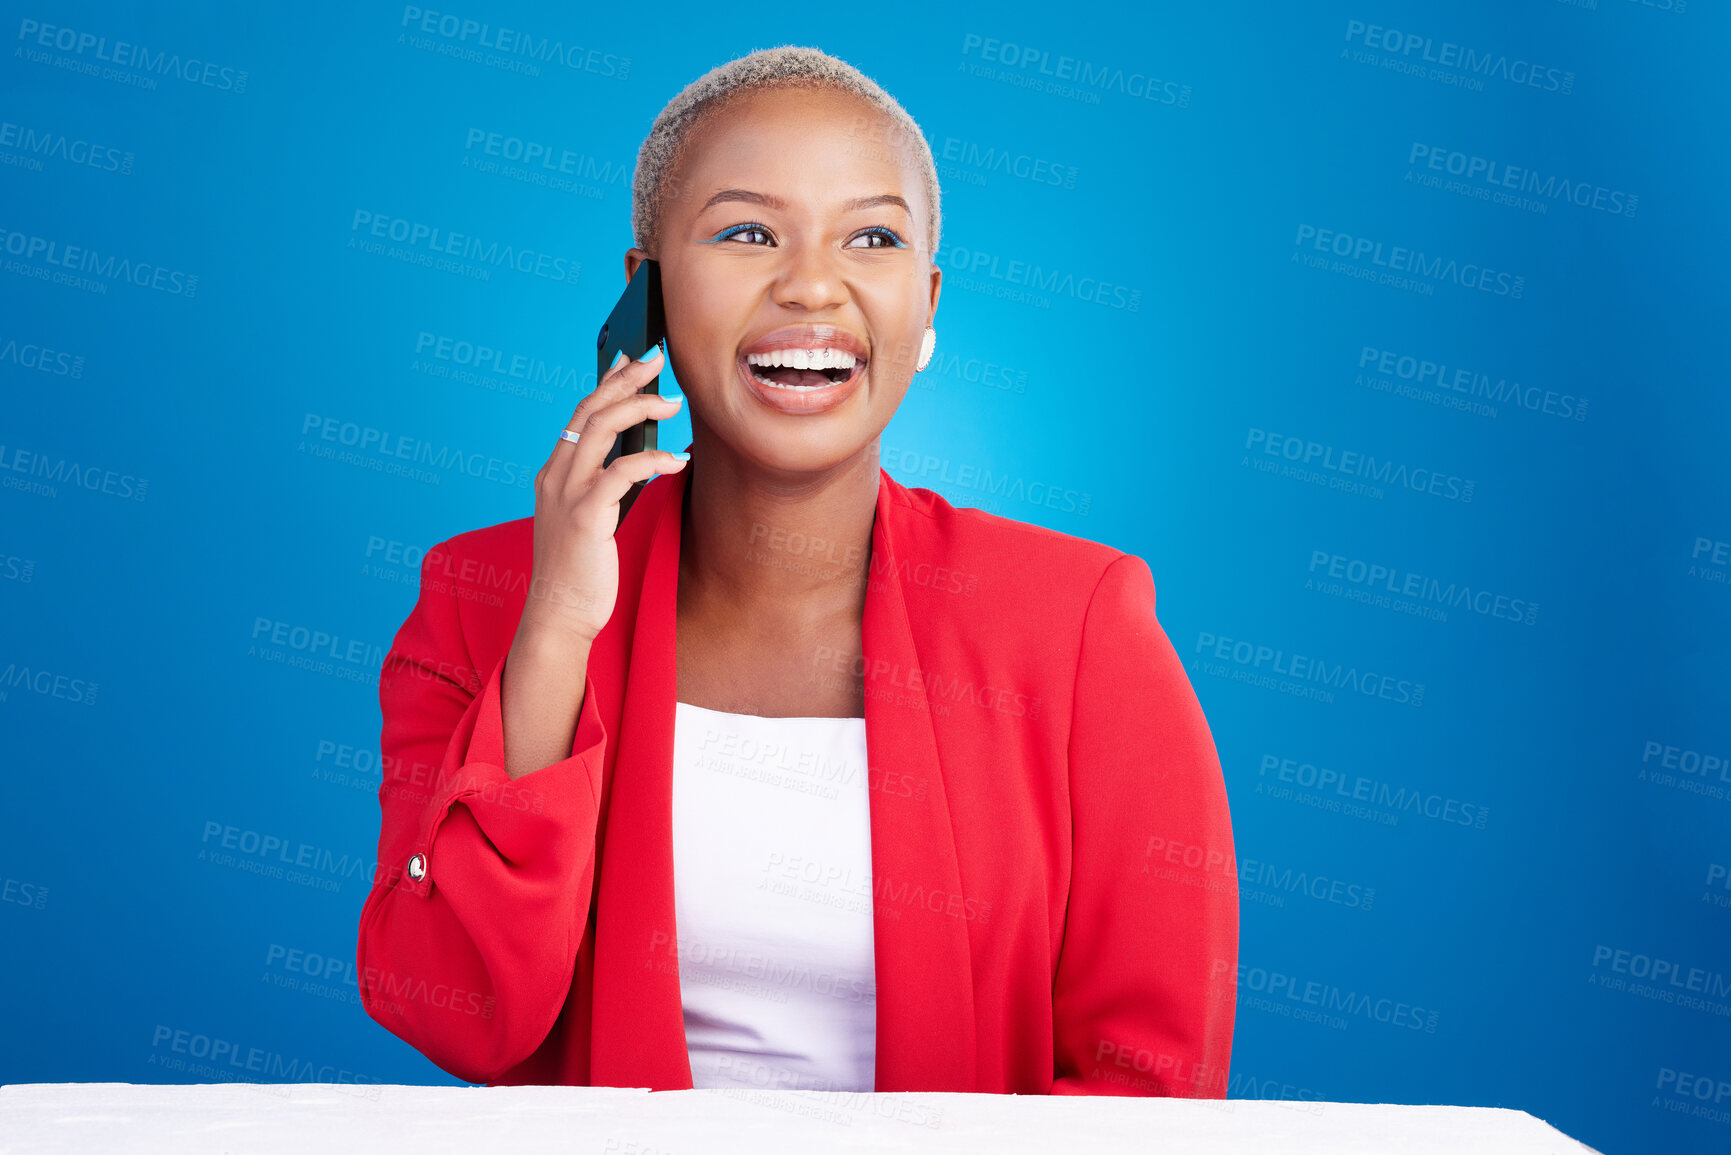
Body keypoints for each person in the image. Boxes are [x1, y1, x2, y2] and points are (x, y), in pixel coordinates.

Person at [356, 45, 1238, 1098]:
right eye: (746, 233)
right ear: (647, 299)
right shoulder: (481, 601)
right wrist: (553, 631)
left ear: (926, 307)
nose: (813, 283)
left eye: (873, 237)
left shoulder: (1081, 623)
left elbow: (1151, 1089)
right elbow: (451, 1008)